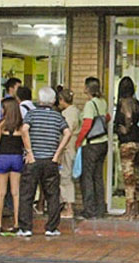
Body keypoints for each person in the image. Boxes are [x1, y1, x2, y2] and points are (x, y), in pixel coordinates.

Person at [17, 87, 71, 237]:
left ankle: (26, 228)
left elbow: (24, 129)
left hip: (33, 160)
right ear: (53, 101)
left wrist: (29, 152)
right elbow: (68, 132)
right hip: (50, 160)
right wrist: (58, 153)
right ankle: (51, 228)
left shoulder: (31, 114)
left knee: (27, 194)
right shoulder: (57, 116)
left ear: (39, 100)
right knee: (52, 195)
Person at [0, 98, 31, 233]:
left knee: (0, 193)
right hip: (17, 157)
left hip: (2, 157)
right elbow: (26, 143)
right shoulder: (21, 125)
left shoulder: (1, 125)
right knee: (16, 193)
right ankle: (16, 223)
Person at [74, 77, 110, 220]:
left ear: (87, 88)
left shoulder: (90, 104)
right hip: (103, 143)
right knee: (98, 177)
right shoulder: (102, 102)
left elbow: (87, 124)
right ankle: (100, 208)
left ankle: (89, 210)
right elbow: (107, 117)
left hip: (92, 144)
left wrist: (79, 140)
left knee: (87, 177)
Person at [114, 77, 139, 220]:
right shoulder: (136, 102)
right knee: (137, 175)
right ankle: (137, 210)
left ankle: (128, 210)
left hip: (127, 142)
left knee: (128, 177)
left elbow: (127, 115)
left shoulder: (124, 102)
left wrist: (126, 127)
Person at [57, 89, 80, 219]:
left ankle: (68, 208)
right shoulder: (76, 111)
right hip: (72, 147)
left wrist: (60, 150)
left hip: (67, 148)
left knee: (65, 178)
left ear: (62, 100)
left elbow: (67, 132)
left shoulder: (67, 114)